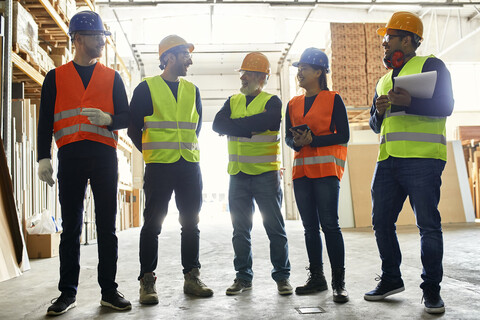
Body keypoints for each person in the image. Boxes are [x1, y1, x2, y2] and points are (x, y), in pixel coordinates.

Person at [37, 11, 131, 316]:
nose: (102, 42)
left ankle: (109, 290)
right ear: (77, 39)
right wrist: (43, 156)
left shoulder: (113, 77)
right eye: (96, 36)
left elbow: (127, 118)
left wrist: (110, 120)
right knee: (71, 228)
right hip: (72, 157)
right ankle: (67, 293)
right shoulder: (55, 77)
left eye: (103, 36)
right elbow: (44, 121)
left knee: (107, 226)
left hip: (104, 156)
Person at [364, 11, 454, 315]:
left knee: (428, 226)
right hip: (387, 162)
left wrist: (409, 103)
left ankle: (432, 292)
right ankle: (391, 278)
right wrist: (378, 112)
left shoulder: (431, 66)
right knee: (380, 223)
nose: (384, 44)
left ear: (407, 39)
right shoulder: (383, 80)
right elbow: (375, 126)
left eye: (389, 37)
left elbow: (446, 106)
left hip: (423, 161)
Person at [128, 35, 213, 304]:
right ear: (170, 57)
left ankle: (192, 276)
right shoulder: (146, 88)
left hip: (188, 165)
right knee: (153, 224)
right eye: (185, 55)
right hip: (159, 167)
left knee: (191, 223)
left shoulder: (193, 90)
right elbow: (133, 129)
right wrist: (153, 152)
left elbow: (196, 128)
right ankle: (147, 280)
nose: (190, 60)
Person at [212, 52, 292, 296]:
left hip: (265, 175)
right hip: (237, 175)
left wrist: (237, 127)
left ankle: (282, 277)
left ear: (261, 77)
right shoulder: (232, 100)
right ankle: (243, 277)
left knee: (275, 229)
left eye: (247, 73)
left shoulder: (272, 102)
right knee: (240, 231)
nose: (243, 77)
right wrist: (251, 127)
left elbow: (269, 121)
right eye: (243, 73)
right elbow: (217, 124)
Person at [285, 48, 350, 303]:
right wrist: (298, 142)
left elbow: (343, 135)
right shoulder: (293, 103)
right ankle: (317, 278)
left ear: (319, 72)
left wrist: (315, 139)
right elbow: (289, 138)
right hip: (301, 172)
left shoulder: (334, 99)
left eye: (304, 68)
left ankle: (339, 283)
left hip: (325, 171)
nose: (299, 72)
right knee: (309, 228)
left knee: (330, 226)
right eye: (298, 68)